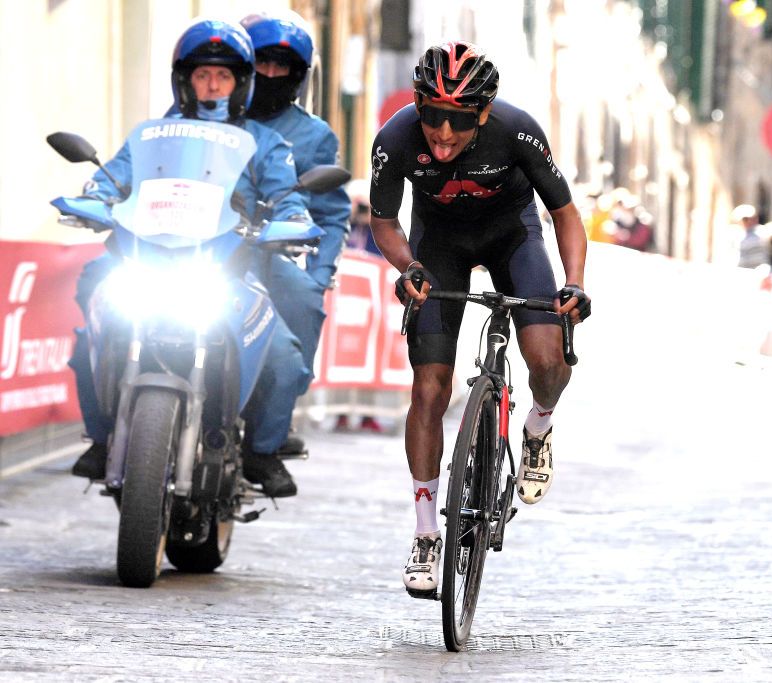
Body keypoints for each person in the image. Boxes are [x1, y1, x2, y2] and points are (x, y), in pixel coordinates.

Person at [367, 41, 591, 596]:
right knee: (428, 389)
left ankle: (538, 424)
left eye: (459, 123)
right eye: (432, 118)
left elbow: (565, 213)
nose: (442, 135)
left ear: (483, 114)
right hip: (438, 246)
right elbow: (384, 221)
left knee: (546, 359)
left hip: (512, 236)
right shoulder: (394, 139)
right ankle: (424, 533)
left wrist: (575, 283)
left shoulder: (517, 130)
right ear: (418, 107)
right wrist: (409, 266)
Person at [68, 18, 312, 497]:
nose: (212, 85)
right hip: (150, 260)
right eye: (203, 75)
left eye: (223, 76)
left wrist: (290, 221)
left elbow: (288, 197)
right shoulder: (154, 135)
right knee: (89, 327)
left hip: (225, 265)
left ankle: (262, 452)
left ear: (242, 82)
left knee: (283, 355)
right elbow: (111, 178)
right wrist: (93, 199)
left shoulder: (266, 143)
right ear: (185, 80)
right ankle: (101, 438)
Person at [239, 11, 352, 455]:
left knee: (301, 308)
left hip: (270, 254)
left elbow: (330, 211)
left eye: (280, 67)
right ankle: (109, 428)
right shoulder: (210, 113)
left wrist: (319, 277)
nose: (269, 74)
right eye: (260, 64)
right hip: (197, 248)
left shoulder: (314, 135)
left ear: (298, 76)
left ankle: (270, 433)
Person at [731, 204, 767, 268]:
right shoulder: (735, 234)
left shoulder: (762, 233)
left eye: (750, 219)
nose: (748, 221)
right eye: (745, 219)